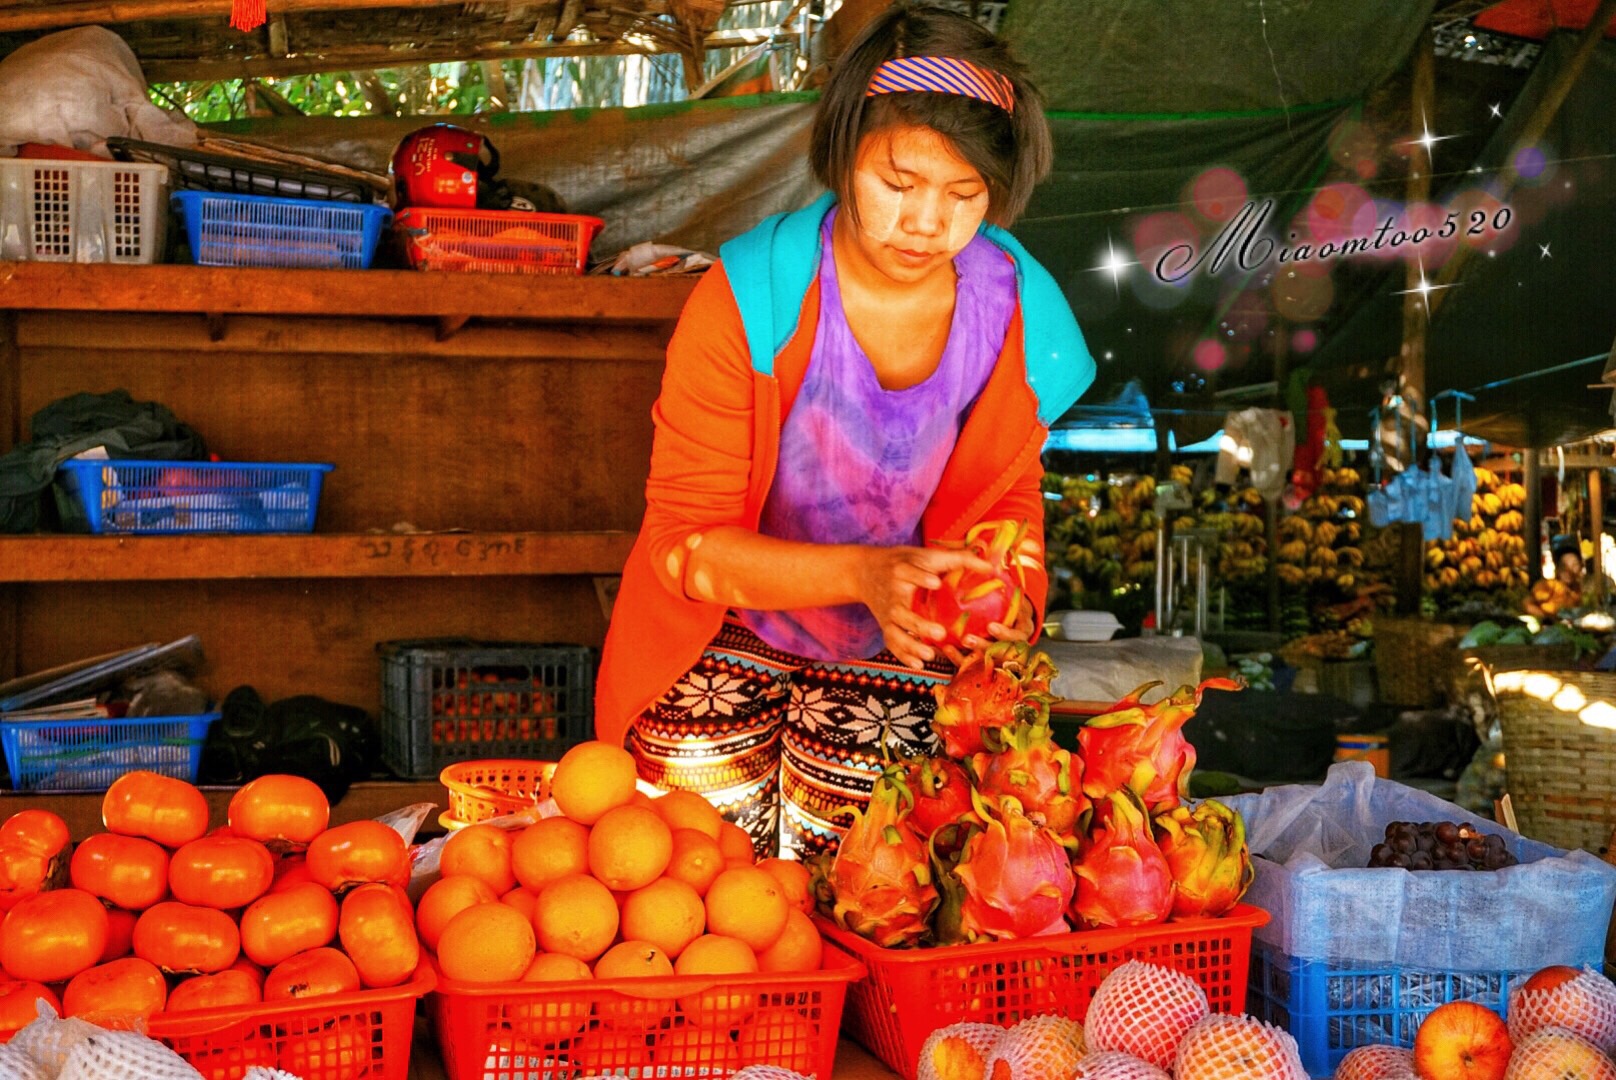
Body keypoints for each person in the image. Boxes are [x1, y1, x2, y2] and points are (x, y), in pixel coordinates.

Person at [594, 2, 1095, 859]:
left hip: (903, 647)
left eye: (964, 194)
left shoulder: (1016, 318)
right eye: (898, 184)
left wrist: (1012, 591)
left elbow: (1008, 501)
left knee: (881, 871)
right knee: (697, 875)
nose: (927, 223)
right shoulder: (748, 297)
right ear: (842, 154)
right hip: (724, 635)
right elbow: (685, 545)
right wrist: (864, 574)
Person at [1524, 539, 1587, 620]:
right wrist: (1546, 619)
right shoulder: (1549, 585)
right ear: (1558, 569)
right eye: (1564, 566)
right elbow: (1527, 604)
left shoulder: (1577, 589)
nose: (1568, 570)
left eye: (1574, 565)